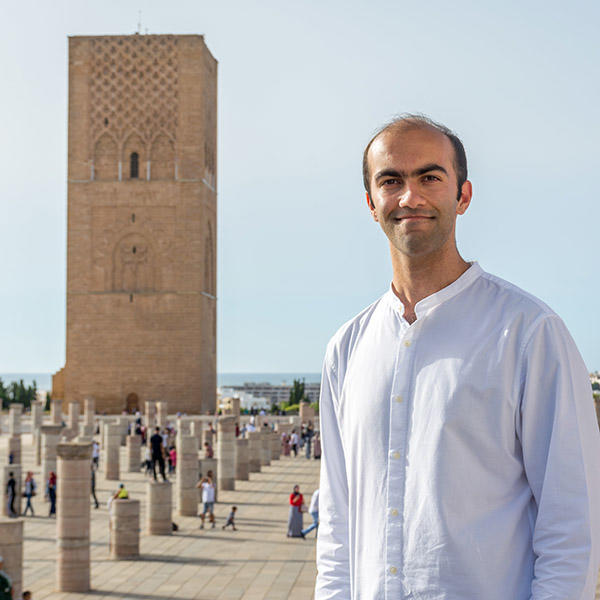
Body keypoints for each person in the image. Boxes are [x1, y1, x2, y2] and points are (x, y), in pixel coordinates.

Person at [315, 114, 600, 599]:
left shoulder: (529, 333)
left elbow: (573, 524)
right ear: (370, 203)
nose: (410, 197)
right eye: (391, 181)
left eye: (429, 177)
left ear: (463, 195)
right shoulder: (347, 347)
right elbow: (338, 530)